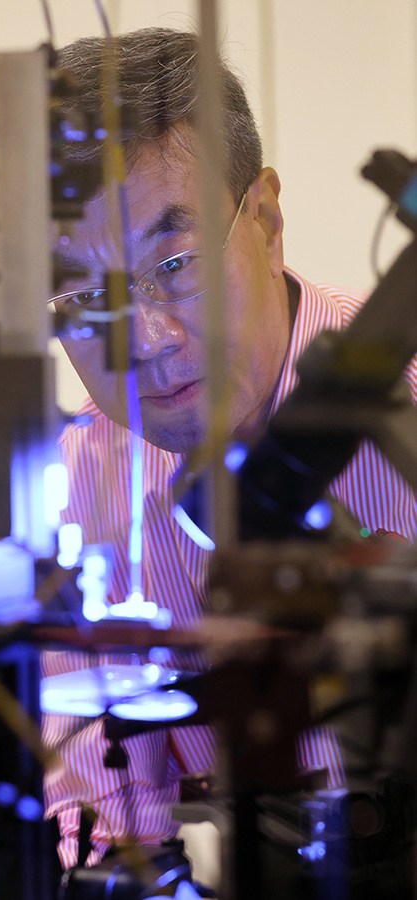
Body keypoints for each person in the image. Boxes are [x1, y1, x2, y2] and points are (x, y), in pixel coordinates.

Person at [41, 27, 417, 878]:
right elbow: (105, 831)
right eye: (81, 298)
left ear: (267, 219)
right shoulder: (82, 486)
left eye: (174, 262)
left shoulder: (405, 388)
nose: (147, 339)